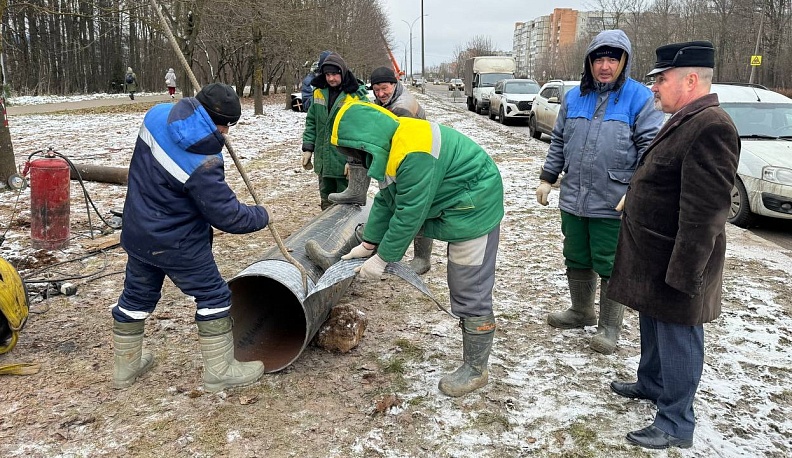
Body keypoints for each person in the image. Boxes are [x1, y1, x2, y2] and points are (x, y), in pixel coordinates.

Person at [607, 41, 740, 450]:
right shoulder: (685, 118)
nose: (654, 89)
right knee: (652, 325)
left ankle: (676, 422)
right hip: (654, 256)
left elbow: (705, 212)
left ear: (691, 80)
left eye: (661, 80)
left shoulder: (711, 126)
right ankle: (652, 383)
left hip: (678, 262)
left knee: (679, 336)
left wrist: (685, 275)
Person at [333, 101, 504, 397]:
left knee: (468, 285)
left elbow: (409, 213)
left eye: (356, 154)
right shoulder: (391, 146)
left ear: (366, 142)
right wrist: (368, 244)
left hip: (475, 206)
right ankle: (474, 361)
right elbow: (388, 200)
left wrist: (383, 259)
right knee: (464, 283)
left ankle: (477, 369)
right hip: (455, 201)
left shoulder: (414, 153)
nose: (357, 161)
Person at [111, 83, 270, 393]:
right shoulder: (204, 164)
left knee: (136, 296)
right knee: (214, 297)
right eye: (227, 126)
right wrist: (261, 215)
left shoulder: (156, 116)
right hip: (178, 243)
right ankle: (220, 371)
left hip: (139, 232)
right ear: (221, 123)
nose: (226, 134)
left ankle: (125, 368)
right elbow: (228, 216)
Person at [535, 29, 664, 355]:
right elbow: (560, 141)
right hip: (574, 197)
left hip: (614, 201)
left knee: (609, 263)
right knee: (576, 256)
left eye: (612, 58)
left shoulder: (640, 98)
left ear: (624, 61)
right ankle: (581, 311)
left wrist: (635, 189)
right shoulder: (574, 97)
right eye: (599, 59)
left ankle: (609, 326)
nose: (605, 66)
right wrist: (547, 177)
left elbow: (651, 150)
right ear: (589, 62)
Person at [309, 66, 433, 274]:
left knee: (413, 208)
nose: (380, 94)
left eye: (384, 88)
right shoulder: (387, 101)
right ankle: (358, 202)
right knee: (393, 203)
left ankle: (421, 258)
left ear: (394, 84)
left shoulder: (402, 108)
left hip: (415, 159)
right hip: (404, 156)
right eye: (376, 90)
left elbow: (391, 144)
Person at [301, 52, 369, 210]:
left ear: (343, 73)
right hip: (324, 161)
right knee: (326, 200)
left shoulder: (355, 96)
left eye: (335, 74)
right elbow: (312, 122)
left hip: (344, 162)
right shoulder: (318, 92)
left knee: (347, 205)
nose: (331, 78)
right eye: (328, 74)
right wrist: (308, 148)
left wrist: (355, 161)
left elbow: (362, 131)